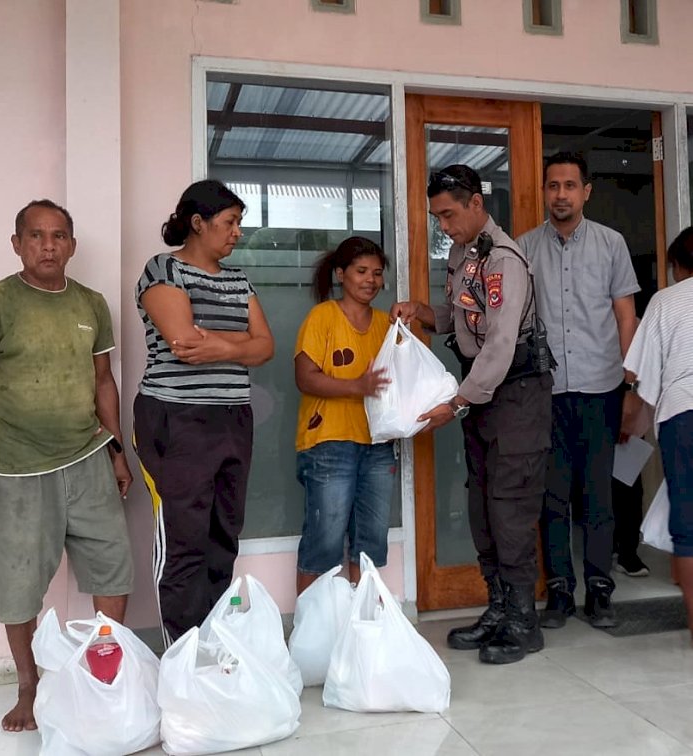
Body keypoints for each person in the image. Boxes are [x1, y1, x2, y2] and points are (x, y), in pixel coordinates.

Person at [0, 200, 134, 732]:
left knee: (113, 565)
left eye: (58, 237)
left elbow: (103, 381)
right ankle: (29, 685)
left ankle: (106, 674)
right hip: (15, 470)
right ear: (17, 244)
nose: (47, 246)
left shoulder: (91, 303)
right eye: (36, 236)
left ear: (72, 245)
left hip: (87, 458)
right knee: (17, 584)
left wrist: (117, 450)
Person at [392, 165, 553, 665]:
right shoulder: (466, 253)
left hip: (516, 393)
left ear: (476, 204)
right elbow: (466, 316)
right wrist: (425, 313)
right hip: (483, 394)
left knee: (510, 506)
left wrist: (459, 400)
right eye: (437, 216)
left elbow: (502, 342)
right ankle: (498, 608)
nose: (443, 226)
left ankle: (524, 622)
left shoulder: (503, 258)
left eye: (449, 214)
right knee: (483, 503)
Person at [133, 179, 274, 646]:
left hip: (233, 418)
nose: (237, 233)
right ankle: (181, 651)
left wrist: (218, 343)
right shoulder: (163, 271)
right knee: (184, 538)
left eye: (239, 223)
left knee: (222, 534)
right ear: (198, 223)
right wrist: (238, 346)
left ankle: (212, 642)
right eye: (229, 222)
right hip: (176, 418)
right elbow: (184, 342)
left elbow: (267, 347)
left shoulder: (238, 280)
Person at [517, 152, 640, 630]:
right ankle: (561, 591)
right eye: (553, 186)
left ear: (586, 191)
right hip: (546, 393)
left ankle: (600, 589)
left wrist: (631, 384)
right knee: (552, 497)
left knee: (598, 496)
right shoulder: (525, 248)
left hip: (601, 387)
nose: (561, 194)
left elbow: (625, 316)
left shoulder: (612, 244)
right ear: (545, 191)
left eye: (570, 185)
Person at [294, 236, 395, 594]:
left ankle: (361, 626)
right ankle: (310, 632)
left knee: (370, 541)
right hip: (328, 443)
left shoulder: (386, 324)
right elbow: (305, 378)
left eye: (377, 273)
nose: (370, 280)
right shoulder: (322, 316)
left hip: (378, 443)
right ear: (341, 274)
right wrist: (357, 386)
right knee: (324, 542)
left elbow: (397, 382)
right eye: (361, 271)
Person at [623, 226, 693, 643]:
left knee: (688, 527)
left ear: (676, 265)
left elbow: (640, 374)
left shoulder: (665, 301)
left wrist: (631, 421)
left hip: (682, 416)